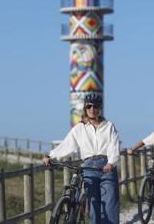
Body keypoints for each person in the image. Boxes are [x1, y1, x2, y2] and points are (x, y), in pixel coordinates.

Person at [43, 93, 120, 224]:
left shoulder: (109, 126)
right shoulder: (80, 128)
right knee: (93, 207)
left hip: (106, 166)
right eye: (88, 106)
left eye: (95, 106)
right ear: (85, 108)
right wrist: (51, 155)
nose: (92, 109)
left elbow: (114, 146)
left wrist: (111, 163)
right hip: (88, 166)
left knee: (109, 205)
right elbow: (67, 144)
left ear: (99, 108)